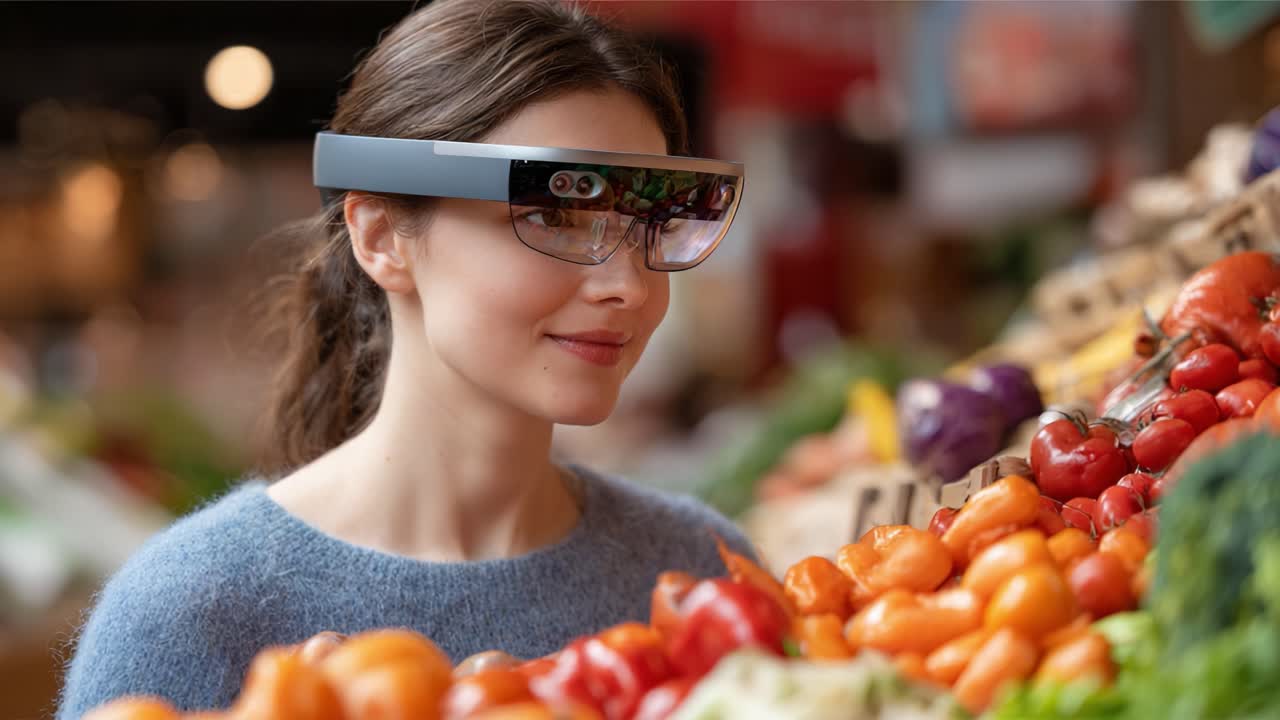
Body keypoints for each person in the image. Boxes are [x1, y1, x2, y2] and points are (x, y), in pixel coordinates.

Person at [56, 0, 754, 716]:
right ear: (383, 237)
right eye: (553, 215)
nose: (628, 287)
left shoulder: (701, 574)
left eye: (651, 226)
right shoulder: (190, 611)